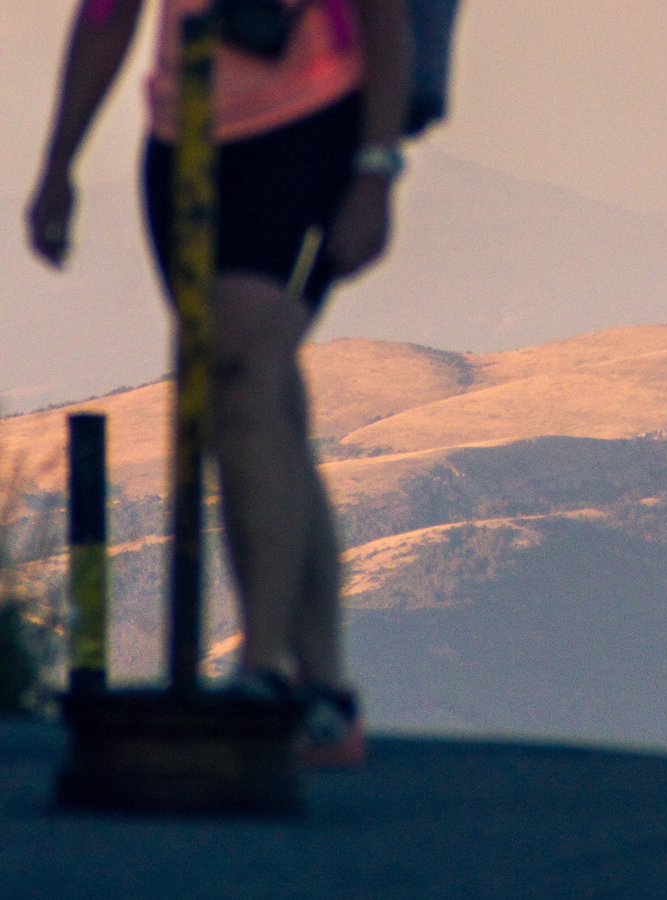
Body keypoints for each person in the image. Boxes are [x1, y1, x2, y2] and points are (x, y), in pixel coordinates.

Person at [27, 0, 412, 767]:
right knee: (261, 396)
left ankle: (263, 668)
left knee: (241, 383)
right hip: (186, 132)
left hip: (312, 119)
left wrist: (375, 168)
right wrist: (58, 167)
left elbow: (384, 12)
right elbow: (107, 15)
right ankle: (325, 689)